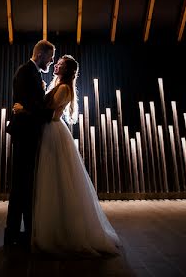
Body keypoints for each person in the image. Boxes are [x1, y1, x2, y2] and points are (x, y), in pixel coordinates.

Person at [31, 55, 122, 256]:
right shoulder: (59, 85)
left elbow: (48, 110)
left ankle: (61, 231)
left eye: (60, 64)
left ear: (67, 70)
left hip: (53, 131)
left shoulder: (64, 89)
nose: (56, 65)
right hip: (51, 131)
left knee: (56, 180)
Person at [4, 39, 55, 248]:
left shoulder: (33, 73)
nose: (51, 62)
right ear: (41, 54)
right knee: (20, 186)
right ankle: (13, 235)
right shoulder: (27, 72)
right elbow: (32, 105)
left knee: (25, 186)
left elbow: (30, 104)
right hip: (25, 135)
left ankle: (22, 233)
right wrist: (54, 112)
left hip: (27, 134)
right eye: (50, 57)